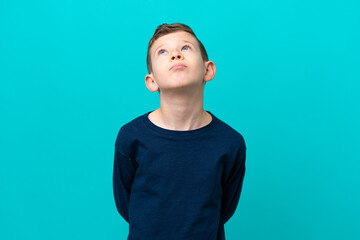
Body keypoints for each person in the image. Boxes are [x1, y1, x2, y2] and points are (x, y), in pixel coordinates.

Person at [113, 23, 246, 240]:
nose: (175, 55)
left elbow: (224, 209)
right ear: (152, 81)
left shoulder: (230, 142)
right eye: (163, 52)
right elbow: (127, 206)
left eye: (185, 48)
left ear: (208, 69)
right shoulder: (131, 137)